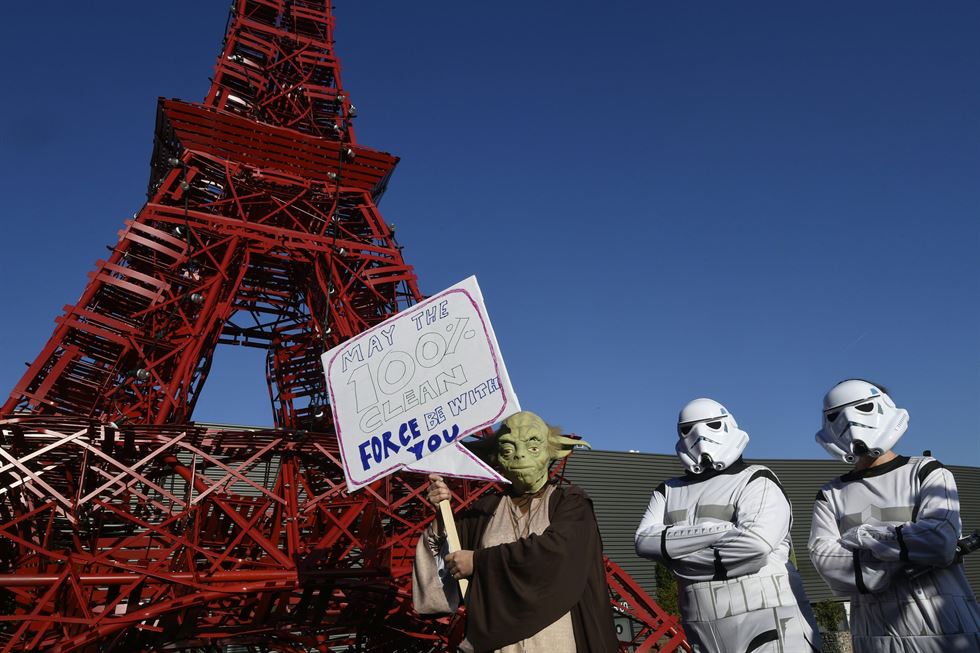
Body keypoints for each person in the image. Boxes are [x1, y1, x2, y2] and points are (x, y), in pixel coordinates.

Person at [412, 411, 619, 653]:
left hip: (557, 641)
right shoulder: (484, 511)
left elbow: (557, 551)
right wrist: (441, 512)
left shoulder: (571, 503)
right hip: (500, 645)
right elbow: (447, 559)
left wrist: (479, 561)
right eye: (508, 449)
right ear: (496, 458)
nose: (520, 454)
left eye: (532, 446)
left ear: (553, 451)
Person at [635, 398, 821, 652]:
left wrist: (676, 557)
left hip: (770, 619)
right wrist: (721, 531)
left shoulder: (758, 479)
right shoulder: (667, 490)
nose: (700, 437)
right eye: (688, 429)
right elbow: (644, 541)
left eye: (711, 425)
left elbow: (755, 546)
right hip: (701, 625)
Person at [808, 379, 980, 652]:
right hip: (873, 639)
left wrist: (860, 538)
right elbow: (827, 563)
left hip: (948, 633)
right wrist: (910, 552)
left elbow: (939, 540)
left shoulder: (927, 472)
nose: (851, 424)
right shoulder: (831, 493)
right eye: (836, 416)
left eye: (863, 408)